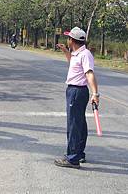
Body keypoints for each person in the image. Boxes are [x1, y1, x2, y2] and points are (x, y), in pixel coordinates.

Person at [54, 27, 100, 169]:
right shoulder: (76, 53)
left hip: (77, 91)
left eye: (68, 38)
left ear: (72, 40)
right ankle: (79, 153)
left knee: (74, 124)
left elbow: (89, 73)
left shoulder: (85, 54)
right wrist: (65, 51)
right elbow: (73, 64)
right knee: (79, 122)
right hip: (74, 91)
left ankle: (73, 158)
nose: (67, 40)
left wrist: (95, 93)